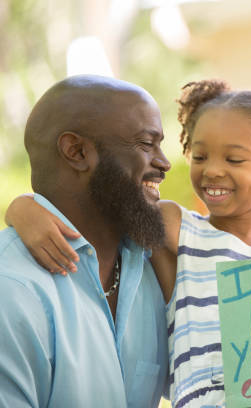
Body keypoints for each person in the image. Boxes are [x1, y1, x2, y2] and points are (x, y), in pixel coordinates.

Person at [7, 79, 251, 408]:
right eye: (199, 157)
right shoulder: (176, 230)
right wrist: (22, 208)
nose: (211, 171)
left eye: (234, 159)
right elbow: (106, 204)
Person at [0, 74, 171, 407]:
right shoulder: (12, 289)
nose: (164, 162)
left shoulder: (157, 264)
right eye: (146, 144)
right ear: (76, 152)